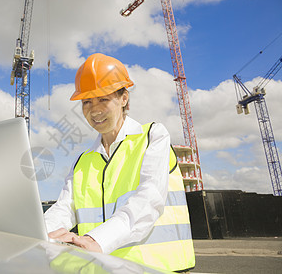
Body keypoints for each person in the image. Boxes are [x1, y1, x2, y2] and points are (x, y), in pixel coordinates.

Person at [44, 53, 195, 272]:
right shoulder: (82, 161)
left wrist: (96, 240)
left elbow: (149, 200)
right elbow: (65, 209)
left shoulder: (152, 136)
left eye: (103, 99)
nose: (94, 110)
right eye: (87, 101)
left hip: (157, 269)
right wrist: (39, 232)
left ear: (124, 98)